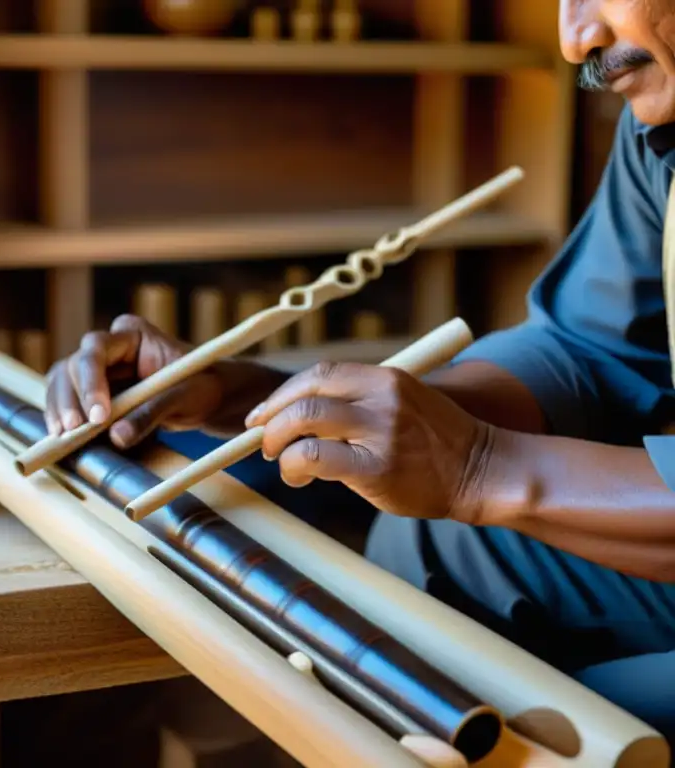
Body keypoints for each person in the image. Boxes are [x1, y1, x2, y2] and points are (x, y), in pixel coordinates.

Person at [43, 0, 675, 742]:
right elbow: (588, 353)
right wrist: (261, 397)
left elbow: (494, 454)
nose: (576, 40)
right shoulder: (657, 134)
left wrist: (478, 468)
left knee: (597, 722)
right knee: (428, 544)